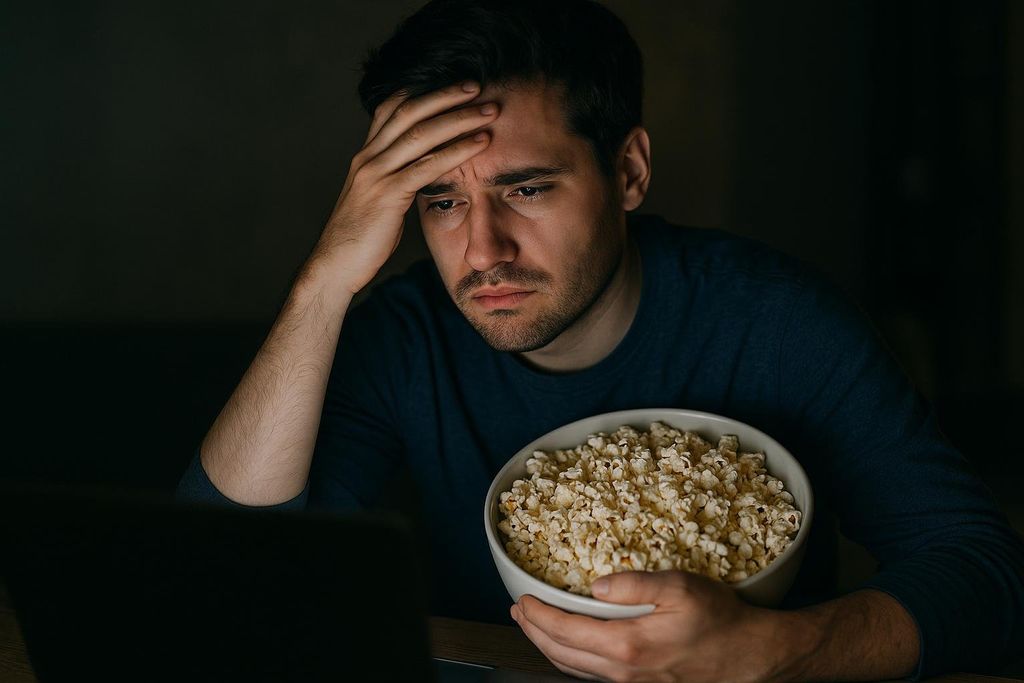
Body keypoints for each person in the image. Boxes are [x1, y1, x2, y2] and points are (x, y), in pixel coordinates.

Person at [176, 0, 1024, 680]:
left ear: (628, 171)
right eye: (439, 202)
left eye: (528, 188)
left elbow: (988, 574)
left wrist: (777, 652)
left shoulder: (777, 320)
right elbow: (221, 576)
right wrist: (324, 277)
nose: (482, 250)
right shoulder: (403, 338)